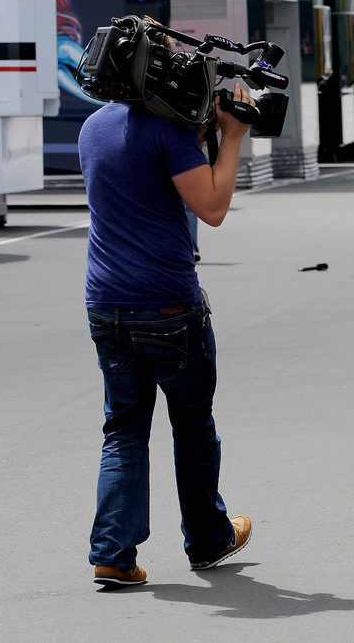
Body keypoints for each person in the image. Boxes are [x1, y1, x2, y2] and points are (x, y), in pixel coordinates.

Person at [78, 72, 256, 585]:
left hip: (106, 302)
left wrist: (198, 134)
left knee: (124, 429)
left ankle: (112, 552)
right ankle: (207, 538)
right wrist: (233, 137)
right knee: (193, 424)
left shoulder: (93, 127)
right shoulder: (168, 131)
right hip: (167, 305)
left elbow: (141, 180)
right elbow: (213, 207)